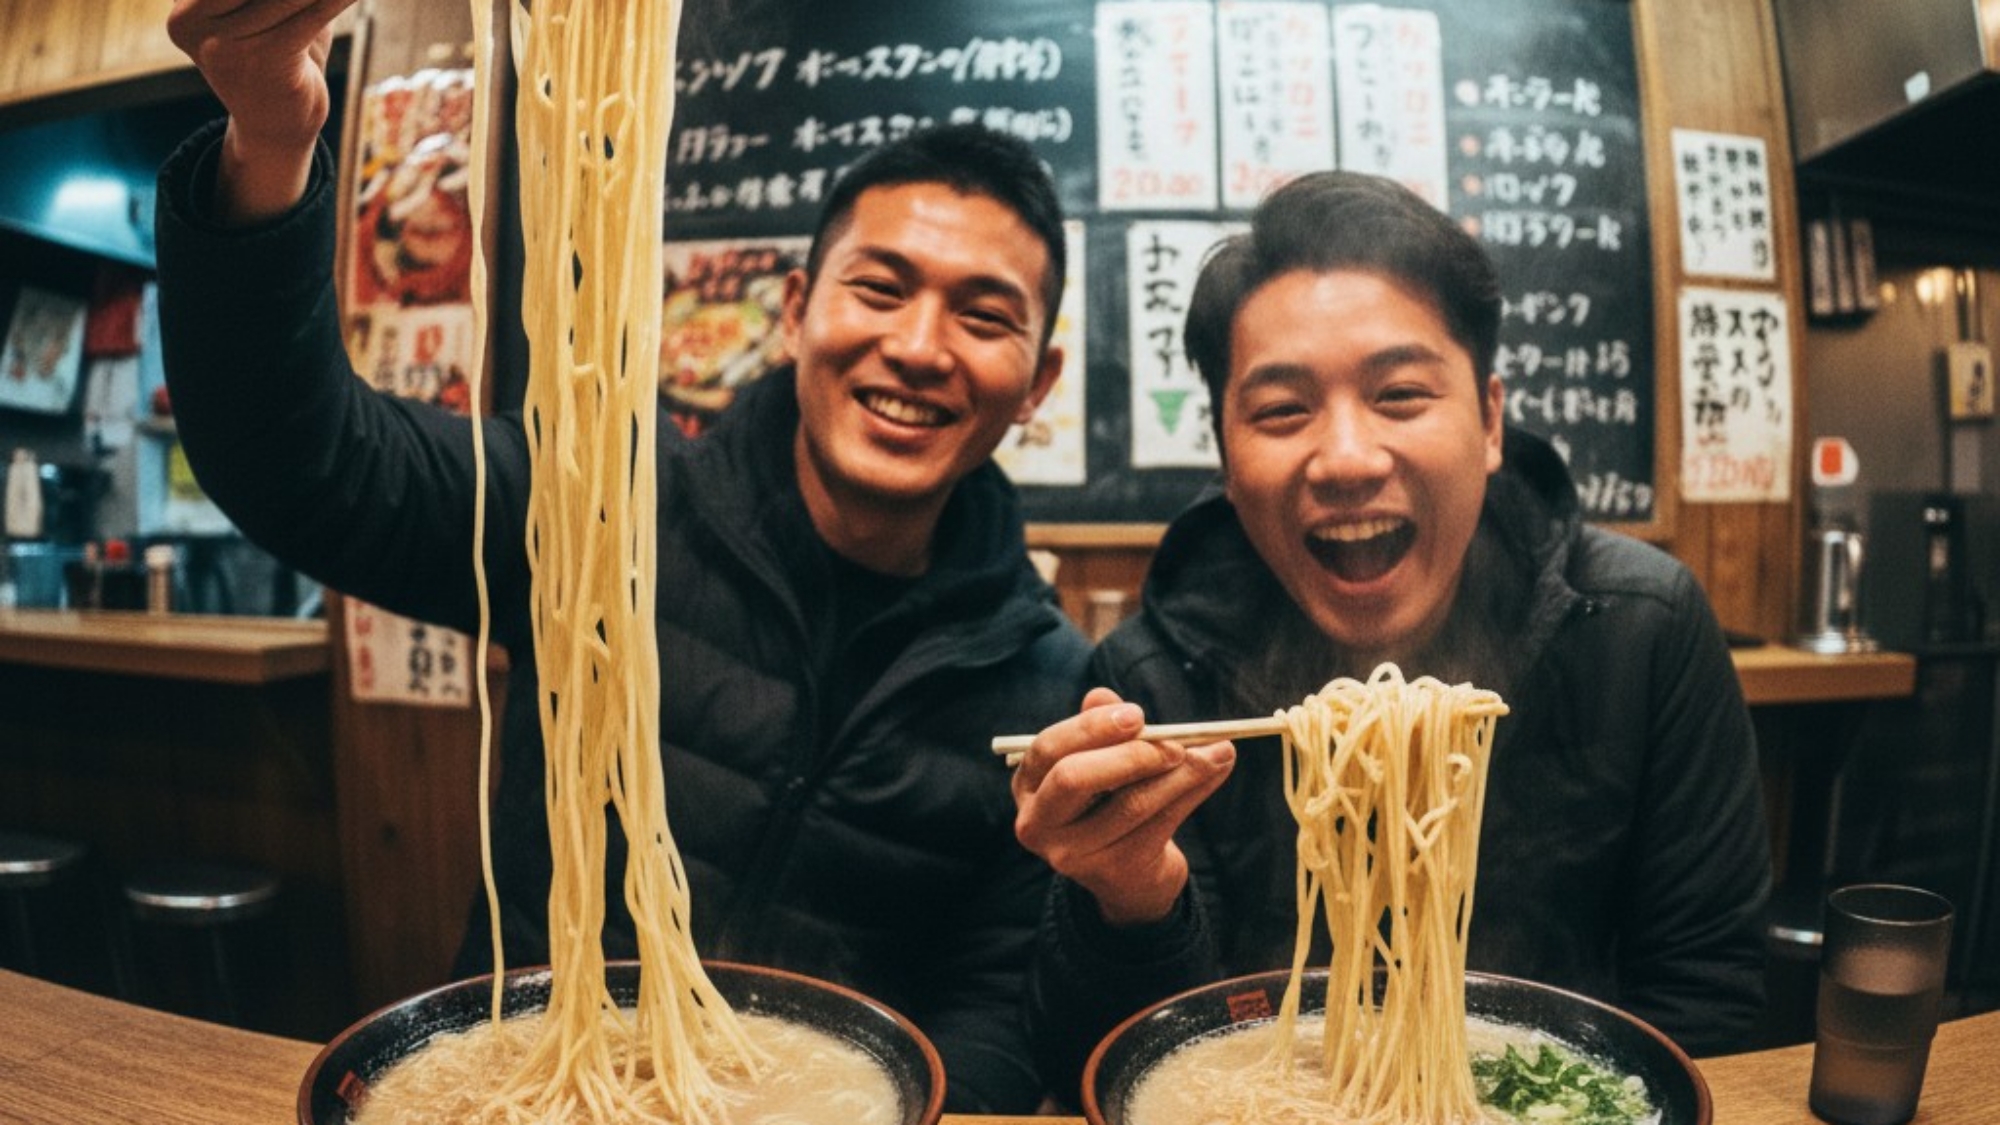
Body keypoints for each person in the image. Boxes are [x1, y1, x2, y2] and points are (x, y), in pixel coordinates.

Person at [156, 1, 1089, 1112]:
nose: (918, 346)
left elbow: (988, 1006)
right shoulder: (600, 506)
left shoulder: (1048, 682)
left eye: (984, 316)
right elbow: (297, 461)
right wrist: (269, 132)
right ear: (793, 312)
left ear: (1039, 380)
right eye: (878, 288)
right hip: (532, 1092)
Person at [1011, 170, 1771, 1101]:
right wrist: (1129, 898)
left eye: (1401, 394)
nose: (1346, 459)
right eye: (1282, 410)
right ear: (1224, 452)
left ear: (1490, 420)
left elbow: (1711, 998)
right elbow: (1111, 1066)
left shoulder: (1639, 627)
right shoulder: (1151, 681)